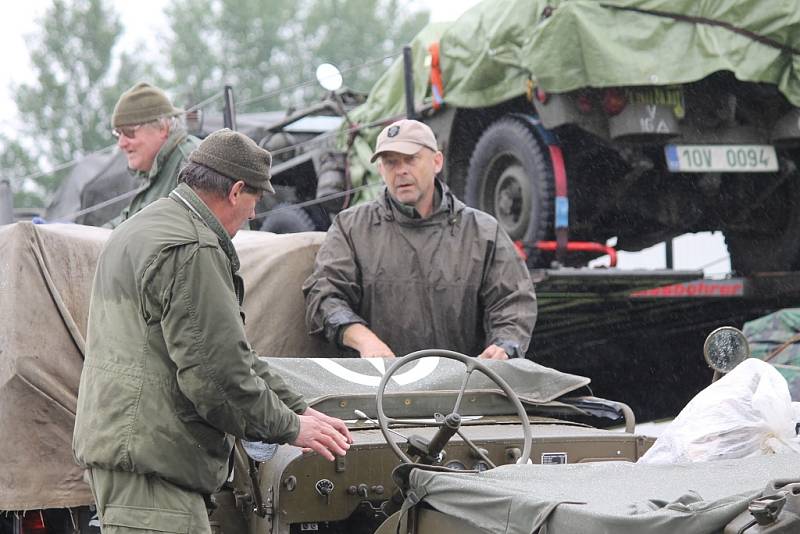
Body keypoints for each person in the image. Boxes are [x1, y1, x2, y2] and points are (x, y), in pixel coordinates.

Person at [73, 129, 351, 533]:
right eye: (256, 199)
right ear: (236, 190)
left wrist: (299, 406)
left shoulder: (141, 227)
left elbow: (233, 355)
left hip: (132, 458)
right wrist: (291, 427)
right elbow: (217, 377)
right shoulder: (194, 247)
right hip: (156, 472)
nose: (255, 214)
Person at [303, 119, 537, 360]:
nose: (401, 170)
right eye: (390, 162)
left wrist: (504, 347)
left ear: (437, 161)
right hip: (377, 386)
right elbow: (325, 296)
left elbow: (513, 301)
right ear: (381, 170)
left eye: (411, 159)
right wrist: (364, 340)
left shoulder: (482, 232)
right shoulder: (351, 227)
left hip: (462, 386)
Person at [104, 81, 200, 228]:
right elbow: (130, 222)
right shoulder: (156, 170)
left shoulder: (191, 164)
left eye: (129, 132)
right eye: (118, 133)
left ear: (163, 128)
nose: (121, 143)